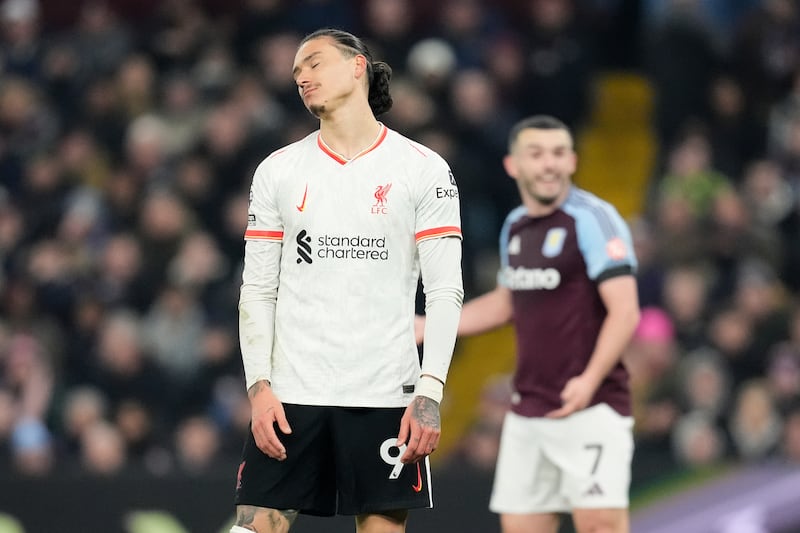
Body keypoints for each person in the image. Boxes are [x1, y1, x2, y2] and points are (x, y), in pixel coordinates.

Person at [233, 28, 464, 533]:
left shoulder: (423, 169)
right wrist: (258, 387)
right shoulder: (278, 170)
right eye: (295, 73)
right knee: (255, 525)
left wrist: (429, 391)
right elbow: (257, 289)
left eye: (313, 63)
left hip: (386, 392)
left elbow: (446, 291)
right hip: (293, 391)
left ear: (357, 65)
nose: (302, 78)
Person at [418, 115, 640, 533]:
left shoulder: (593, 219)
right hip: (529, 409)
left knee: (600, 526)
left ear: (573, 161)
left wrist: (590, 379)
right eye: (536, 154)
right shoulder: (515, 226)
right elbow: (507, 303)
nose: (549, 164)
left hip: (591, 407)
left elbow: (625, 310)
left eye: (558, 153)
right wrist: (430, 326)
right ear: (513, 165)